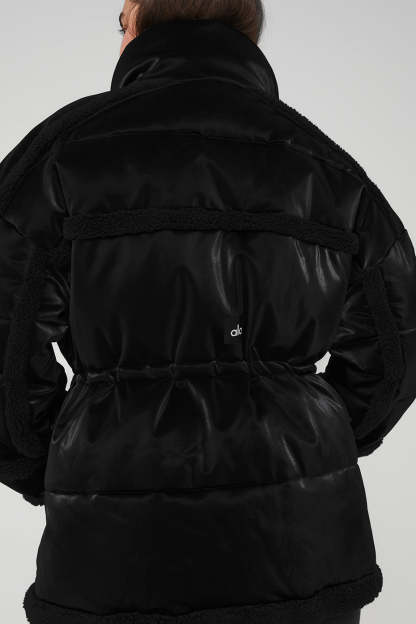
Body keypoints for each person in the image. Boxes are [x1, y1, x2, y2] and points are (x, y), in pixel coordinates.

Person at [0, 1, 414, 622]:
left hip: (115, 557)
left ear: (136, 22)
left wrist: (63, 461)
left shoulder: (64, 155)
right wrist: (307, 445)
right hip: (303, 554)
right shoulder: (321, 162)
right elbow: (396, 346)